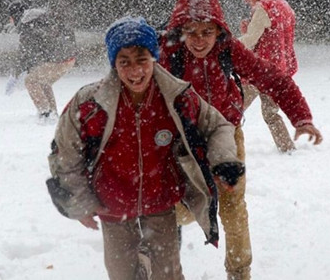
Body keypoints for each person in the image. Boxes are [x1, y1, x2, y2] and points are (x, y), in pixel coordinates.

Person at [47, 17, 245, 280]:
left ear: (154, 57)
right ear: (113, 64)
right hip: (112, 205)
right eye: (124, 61)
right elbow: (66, 154)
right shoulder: (90, 104)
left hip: (160, 201)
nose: (134, 70)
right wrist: (80, 203)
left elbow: (218, 126)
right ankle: (141, 262)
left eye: (141, 59)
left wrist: (223, 160)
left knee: (168, 275)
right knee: (123, 275)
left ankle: (151, 262)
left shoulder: (177, 96)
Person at [159, 0, 323, 280]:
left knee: (233, 207)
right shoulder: (167, 53)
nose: (199, 41)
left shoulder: (227, 47)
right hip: (184, 142)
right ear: (180, 28)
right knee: (180, 208)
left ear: (218, 29)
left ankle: (239, 273)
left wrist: (301, 116)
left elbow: (271, 76)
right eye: (192, 32)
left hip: (227, 137)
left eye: (207, 32)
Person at [238, 0, 301, 153]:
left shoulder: (263, 8)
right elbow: (278, 35)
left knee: (233, 110)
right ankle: (286, 147)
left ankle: (224, 147)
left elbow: (251, 39)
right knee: (271, 113)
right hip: (277, 71)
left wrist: (228, 43)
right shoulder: (284, 6)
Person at [7, 1, 76, 120]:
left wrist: (15, 75)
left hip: (58, 58)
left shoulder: (29, 24)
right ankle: (52, 113)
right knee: (43, 81)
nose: (10, 21)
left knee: (31, 81)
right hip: (69, 58)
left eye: (11, 18)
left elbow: (25, 53)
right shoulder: (40, 18)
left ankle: (45, 113)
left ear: (16, 15)